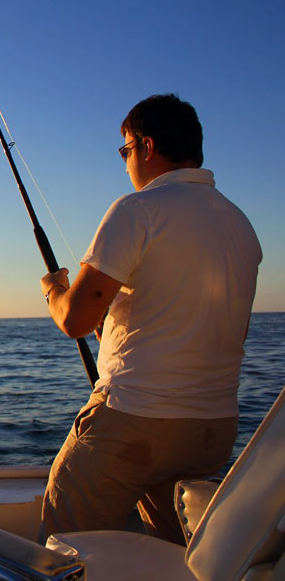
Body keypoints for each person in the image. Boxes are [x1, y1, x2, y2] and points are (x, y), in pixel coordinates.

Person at [38, 94, 262, 544]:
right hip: (212, 431)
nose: (124, 164)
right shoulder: (241, 225)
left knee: (63, 548)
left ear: (147, 145)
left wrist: (53, 288)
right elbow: (211, 328)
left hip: (134, 422)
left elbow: (75, 321)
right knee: (176, 555)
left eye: (125, 150)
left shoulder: (136, 209)